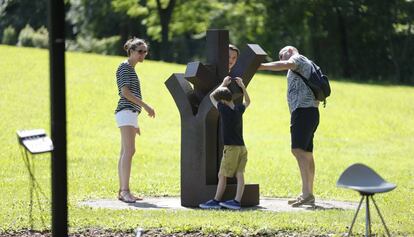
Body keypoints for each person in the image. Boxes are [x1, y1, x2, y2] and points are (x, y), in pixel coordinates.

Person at [259, 46, 319, 207]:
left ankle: (307, 194)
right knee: (306, 152)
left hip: (303, 111)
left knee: (298, 150)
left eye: (282, 54)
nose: (281, 57)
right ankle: (307, 193)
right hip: (308, 112)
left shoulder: (297, 58)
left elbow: (283, 64)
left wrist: (262, 66)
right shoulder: (304, 62)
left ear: (290, 50)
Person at [199, 75, 250, 210]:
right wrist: (243, 86)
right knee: (239, 174)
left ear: (223, 100)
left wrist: (223, 84)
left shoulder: (224, 109)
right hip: (242, 148)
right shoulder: (239, 109)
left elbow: (211, 96)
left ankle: (216, 200)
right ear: (231, 99)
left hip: (231, 149)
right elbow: (248, 101)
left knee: (222, 175)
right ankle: (237, 201)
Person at [114, 37, 155, 203]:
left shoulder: (130, 68)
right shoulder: (125, 68)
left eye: (145, 52)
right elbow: (125, 93)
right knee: (129, 151)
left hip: (129, 114)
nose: (143, 54)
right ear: (131, 51)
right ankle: (125, 191)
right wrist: (146, 106)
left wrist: (135, 122)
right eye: (140, 51)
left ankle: (122, 191)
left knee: (125, 152)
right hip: (126, 111)